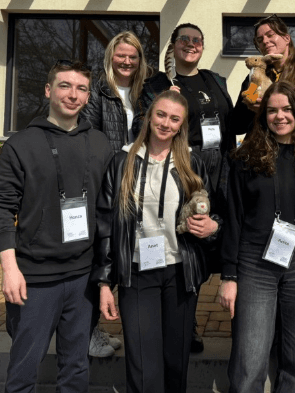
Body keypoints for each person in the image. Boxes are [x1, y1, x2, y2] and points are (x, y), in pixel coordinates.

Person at [0, 60, 112, 393]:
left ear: (88, 97)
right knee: (24, 368)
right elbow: (2, 210)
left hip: (83, 276)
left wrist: (104, 277)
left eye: (81, 89)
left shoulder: (100, 144)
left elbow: (107, 212)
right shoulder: (20, 145)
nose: (73, 95)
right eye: (64, 86)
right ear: (48, 90)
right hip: (35, 277)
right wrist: (9, 270)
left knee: (76, 368)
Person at [92, 90, 220, 393]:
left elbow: (214, 213)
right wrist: (104, 282)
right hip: (138, 272)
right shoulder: (122, 161)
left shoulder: (192, 163)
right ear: (149, 117)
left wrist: (213, 227)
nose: (165, 123)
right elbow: (105, 225)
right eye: (160, 115)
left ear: (181, 125)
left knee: (175, 361)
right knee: (142, 363)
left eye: (174, 119)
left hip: (180, 273)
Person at [219, 81, 295, 392]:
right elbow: (233, 220)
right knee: (249, 359)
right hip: (255, 265)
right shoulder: (246, 158)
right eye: (272, 111)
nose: (280, 116)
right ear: (263, 116)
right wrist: (229, 275)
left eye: (287, 109)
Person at [133, 23, 235, 352]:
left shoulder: (215, 80)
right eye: (184, 39)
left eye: (197, 40)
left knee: (221, 236)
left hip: (221, 170)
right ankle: (184, 320)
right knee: (186, 241)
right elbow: (142, 124)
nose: (191, 44)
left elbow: (233, 124)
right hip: (184, 169)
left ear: (203, 46)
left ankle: (235, 312)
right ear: (173, 46)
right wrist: (164, 101)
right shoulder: (158, 84)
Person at [79, 30, 152, 356]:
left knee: (123, 253)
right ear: (111, 57)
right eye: (121, 55)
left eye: (132, 56)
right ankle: (87, 332)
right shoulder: (98, 93)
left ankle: (98, 327)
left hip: (138, 182)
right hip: (106, 184)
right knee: (101, 255)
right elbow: (89, 139)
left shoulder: (145, 93)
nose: (126, 61)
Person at [229, 14, 295, 135]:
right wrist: (250, 107)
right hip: (261, 142)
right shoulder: (255, 75)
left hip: (293, 142)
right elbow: (237, 126)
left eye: (270, 35)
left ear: (287, 38)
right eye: (260, 40)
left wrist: (267, 109)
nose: (265, 41)